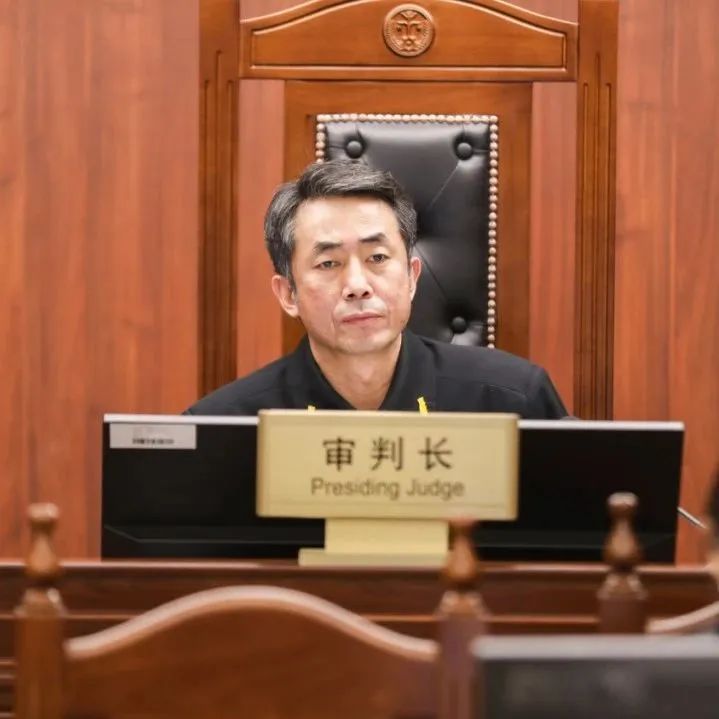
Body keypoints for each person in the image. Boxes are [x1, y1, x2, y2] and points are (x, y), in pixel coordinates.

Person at [187, 160, 567, 418]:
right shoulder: (227, 427)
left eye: (378, 258)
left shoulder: (512, 401)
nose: (357, 286)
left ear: (412, 277)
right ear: (288, 294)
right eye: (328, 263)